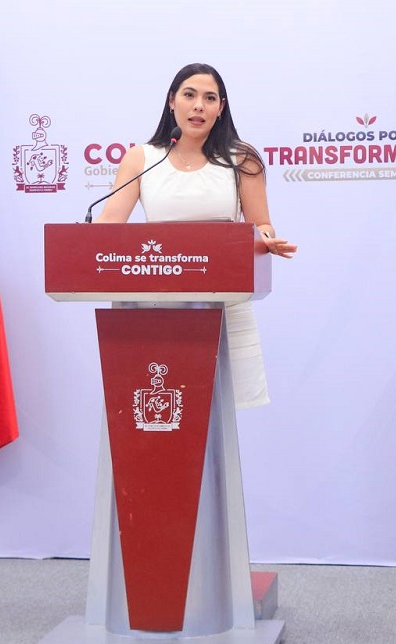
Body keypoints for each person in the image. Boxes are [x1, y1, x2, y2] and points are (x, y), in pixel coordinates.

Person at [95, 63, 297, 408]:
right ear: (172, 101)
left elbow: (262, 224)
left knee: (217, 409)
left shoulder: (241, 159)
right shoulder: (142, 158)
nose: (199, 106)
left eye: (210, 98)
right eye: (189, 95)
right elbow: (109, 224)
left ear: (221, 108)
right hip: (154, 302)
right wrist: (79, 243)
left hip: (223, 298)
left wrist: (263, 239)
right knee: (157, 403)